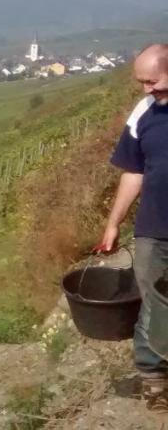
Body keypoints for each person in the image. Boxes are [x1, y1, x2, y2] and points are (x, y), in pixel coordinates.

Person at [99, 43, 168, 410]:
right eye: (141, 82)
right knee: (155, 300)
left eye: (153, 82)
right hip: (154, 228)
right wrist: (113, 224)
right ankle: (154, 379)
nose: (146, 90)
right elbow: (134, 172)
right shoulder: (144, 112)